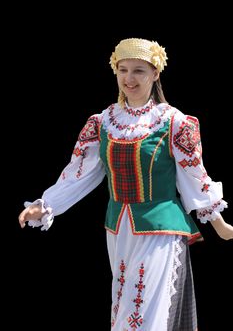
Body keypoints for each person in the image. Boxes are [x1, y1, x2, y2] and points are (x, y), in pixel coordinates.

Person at [19, 38, 233, 330]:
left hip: (161, 227)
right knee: (123, 304)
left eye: (139, 71)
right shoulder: (104, 122)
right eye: (123, 70)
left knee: (141, 312)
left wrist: (219, 224)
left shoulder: (172, 122)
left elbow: (193, 175)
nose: (129, 79)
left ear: (155, 73)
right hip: (119, 228)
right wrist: (46, 205)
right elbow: (80, 171)